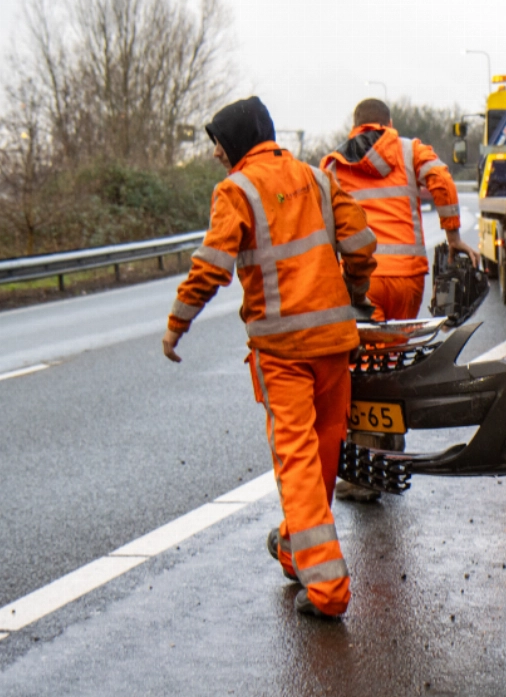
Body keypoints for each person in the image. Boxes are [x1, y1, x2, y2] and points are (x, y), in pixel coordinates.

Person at [162, 96, 377, 620]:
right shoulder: (317, 179)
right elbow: (361, 243)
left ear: (236, 140)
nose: (215, 153)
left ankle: (327, 589)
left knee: (298, 462)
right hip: (334, 342)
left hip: (283, 351)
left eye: (218, 143)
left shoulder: (236, 191)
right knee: (322, 453)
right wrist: (355, 291)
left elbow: (211, 267)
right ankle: (295, 549)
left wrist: (177, 323)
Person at [321, 98, 479, 502]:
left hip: (362, 281)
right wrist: (453, 235)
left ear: (355, 125)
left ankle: (366, 475)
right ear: (388, 123)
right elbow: (441, 178)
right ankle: (391, 450)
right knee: (393, 362)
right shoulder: (409, 150)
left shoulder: (333, 164)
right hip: (408, 277)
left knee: (364, 369)